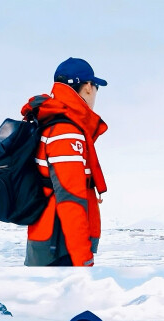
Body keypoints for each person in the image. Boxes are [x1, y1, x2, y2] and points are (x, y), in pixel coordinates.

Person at [21, 58, 108, 267]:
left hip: (51, 243)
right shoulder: (66, 133)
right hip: (60, 250)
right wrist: (83, 261)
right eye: (96, 87)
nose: (95, 94)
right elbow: (71, 201)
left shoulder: (54, 122)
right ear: (87, 87)